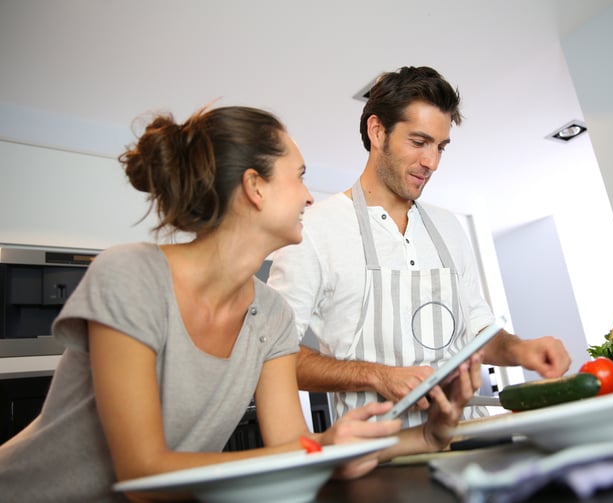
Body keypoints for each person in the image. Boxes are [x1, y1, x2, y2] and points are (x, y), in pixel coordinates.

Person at [0, 105, 482, 502]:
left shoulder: (270, 315)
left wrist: (427, 436)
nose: (310, 198)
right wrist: (320, 447)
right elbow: (144, 476)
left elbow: (295, 452)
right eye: (299, 177)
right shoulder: (130, 275)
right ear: (255, 187)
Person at [267, 66, 572, 427]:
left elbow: (478, 331)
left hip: (469, 433)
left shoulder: (448, 227)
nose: (432, 162)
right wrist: (377, 376)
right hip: (376, 457)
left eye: (440, 147)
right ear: (377, 131)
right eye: (419, 142)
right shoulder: (315, 231)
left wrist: (521, 350)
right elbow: (274, 356)